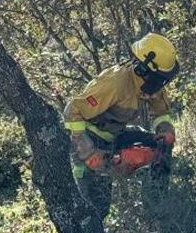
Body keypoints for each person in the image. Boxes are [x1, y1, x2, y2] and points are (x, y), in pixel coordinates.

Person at [62, 32, 180, 219]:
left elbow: (161, 111)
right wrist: (90, 154)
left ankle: (157, 209)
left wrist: (165, 130)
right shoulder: (116, 83)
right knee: (97, 207)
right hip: (87, 139)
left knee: (159, 146)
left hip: (114, 134)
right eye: (159, 78)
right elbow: (72, 112)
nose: (161, 84)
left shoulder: (150, 83)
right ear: (143, 69)